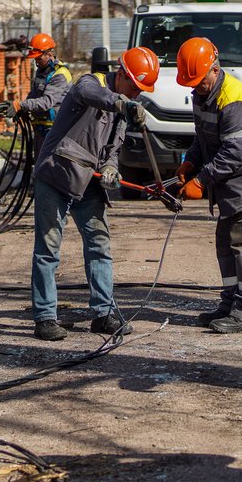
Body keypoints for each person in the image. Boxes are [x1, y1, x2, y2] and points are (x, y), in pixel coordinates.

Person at [30, 47, 159, 342]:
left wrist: (112, 168)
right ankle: (45, 318)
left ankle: (103, 314)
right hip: (56, 175)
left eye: (142, 91)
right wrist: (121, 102)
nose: (137, 95)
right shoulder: (90, 83)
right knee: (48, 250)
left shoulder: (124, 111)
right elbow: (94, 96)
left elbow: (113, 150)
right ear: (122, 74)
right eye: (135, 87)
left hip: (89, 183)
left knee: (100, 246)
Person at [173, 37, 242, 334]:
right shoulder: (202, 94)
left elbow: (236, 151)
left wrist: (201, 180)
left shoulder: (233, 98)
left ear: (214, 68)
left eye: (199, 81)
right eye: (191, 82)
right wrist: (190, 162)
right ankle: (230, 304)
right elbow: (203, 137)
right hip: (235, 182)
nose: (195, 87)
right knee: (226, 242)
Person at [18, 32, 72, 157]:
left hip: (55, 131)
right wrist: (23, 108)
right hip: (41, 129)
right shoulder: (41, 71)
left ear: (49, 54)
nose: (37, 62)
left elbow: (47, 102)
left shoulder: (60, 74)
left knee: (49, 168)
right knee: (38, 166)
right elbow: (34, 94)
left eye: (39, 58)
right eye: (35, 59)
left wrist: (21, 105)